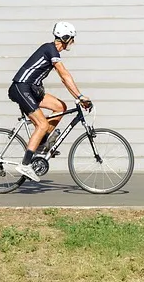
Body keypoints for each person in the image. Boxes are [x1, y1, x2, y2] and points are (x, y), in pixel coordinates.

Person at [7, 21, 93, 182]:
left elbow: (63, 78)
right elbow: (64, 75)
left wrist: (77, 96)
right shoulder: (50, 49)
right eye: (72, 39)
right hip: (21, 88)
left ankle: (42, 143)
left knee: (60, 106)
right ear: (66, 38)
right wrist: (80, 97)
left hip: (32, 90)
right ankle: (25, 164)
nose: (73, 42)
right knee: (42, 124)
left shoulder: (53, 51)